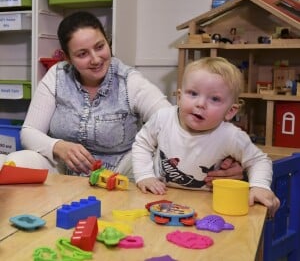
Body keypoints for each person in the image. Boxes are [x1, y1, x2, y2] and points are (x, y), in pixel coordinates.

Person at [0, 11, 244, 182]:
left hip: (120, 173)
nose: (95, 59)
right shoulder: (56, 75)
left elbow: (169, 120)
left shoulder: (129, 81)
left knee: (159, 167)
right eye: (82, 54)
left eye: (100, 46)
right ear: (67, 58)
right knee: (17, 160)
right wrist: (58, 147)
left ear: (108, 42)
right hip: (62, 171)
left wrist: (218, 154)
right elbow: (29, 132)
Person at [132, 57, 280, 216]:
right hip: (160, 197)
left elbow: (259, 160)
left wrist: (259, 186)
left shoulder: (230, 136)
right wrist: (145, 176)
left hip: (209, 204)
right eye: (193, 93)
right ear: (180, 97)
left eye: (214, 99)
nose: (201, 103)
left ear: (230, 111)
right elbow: (142, 144)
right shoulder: (163, 118)